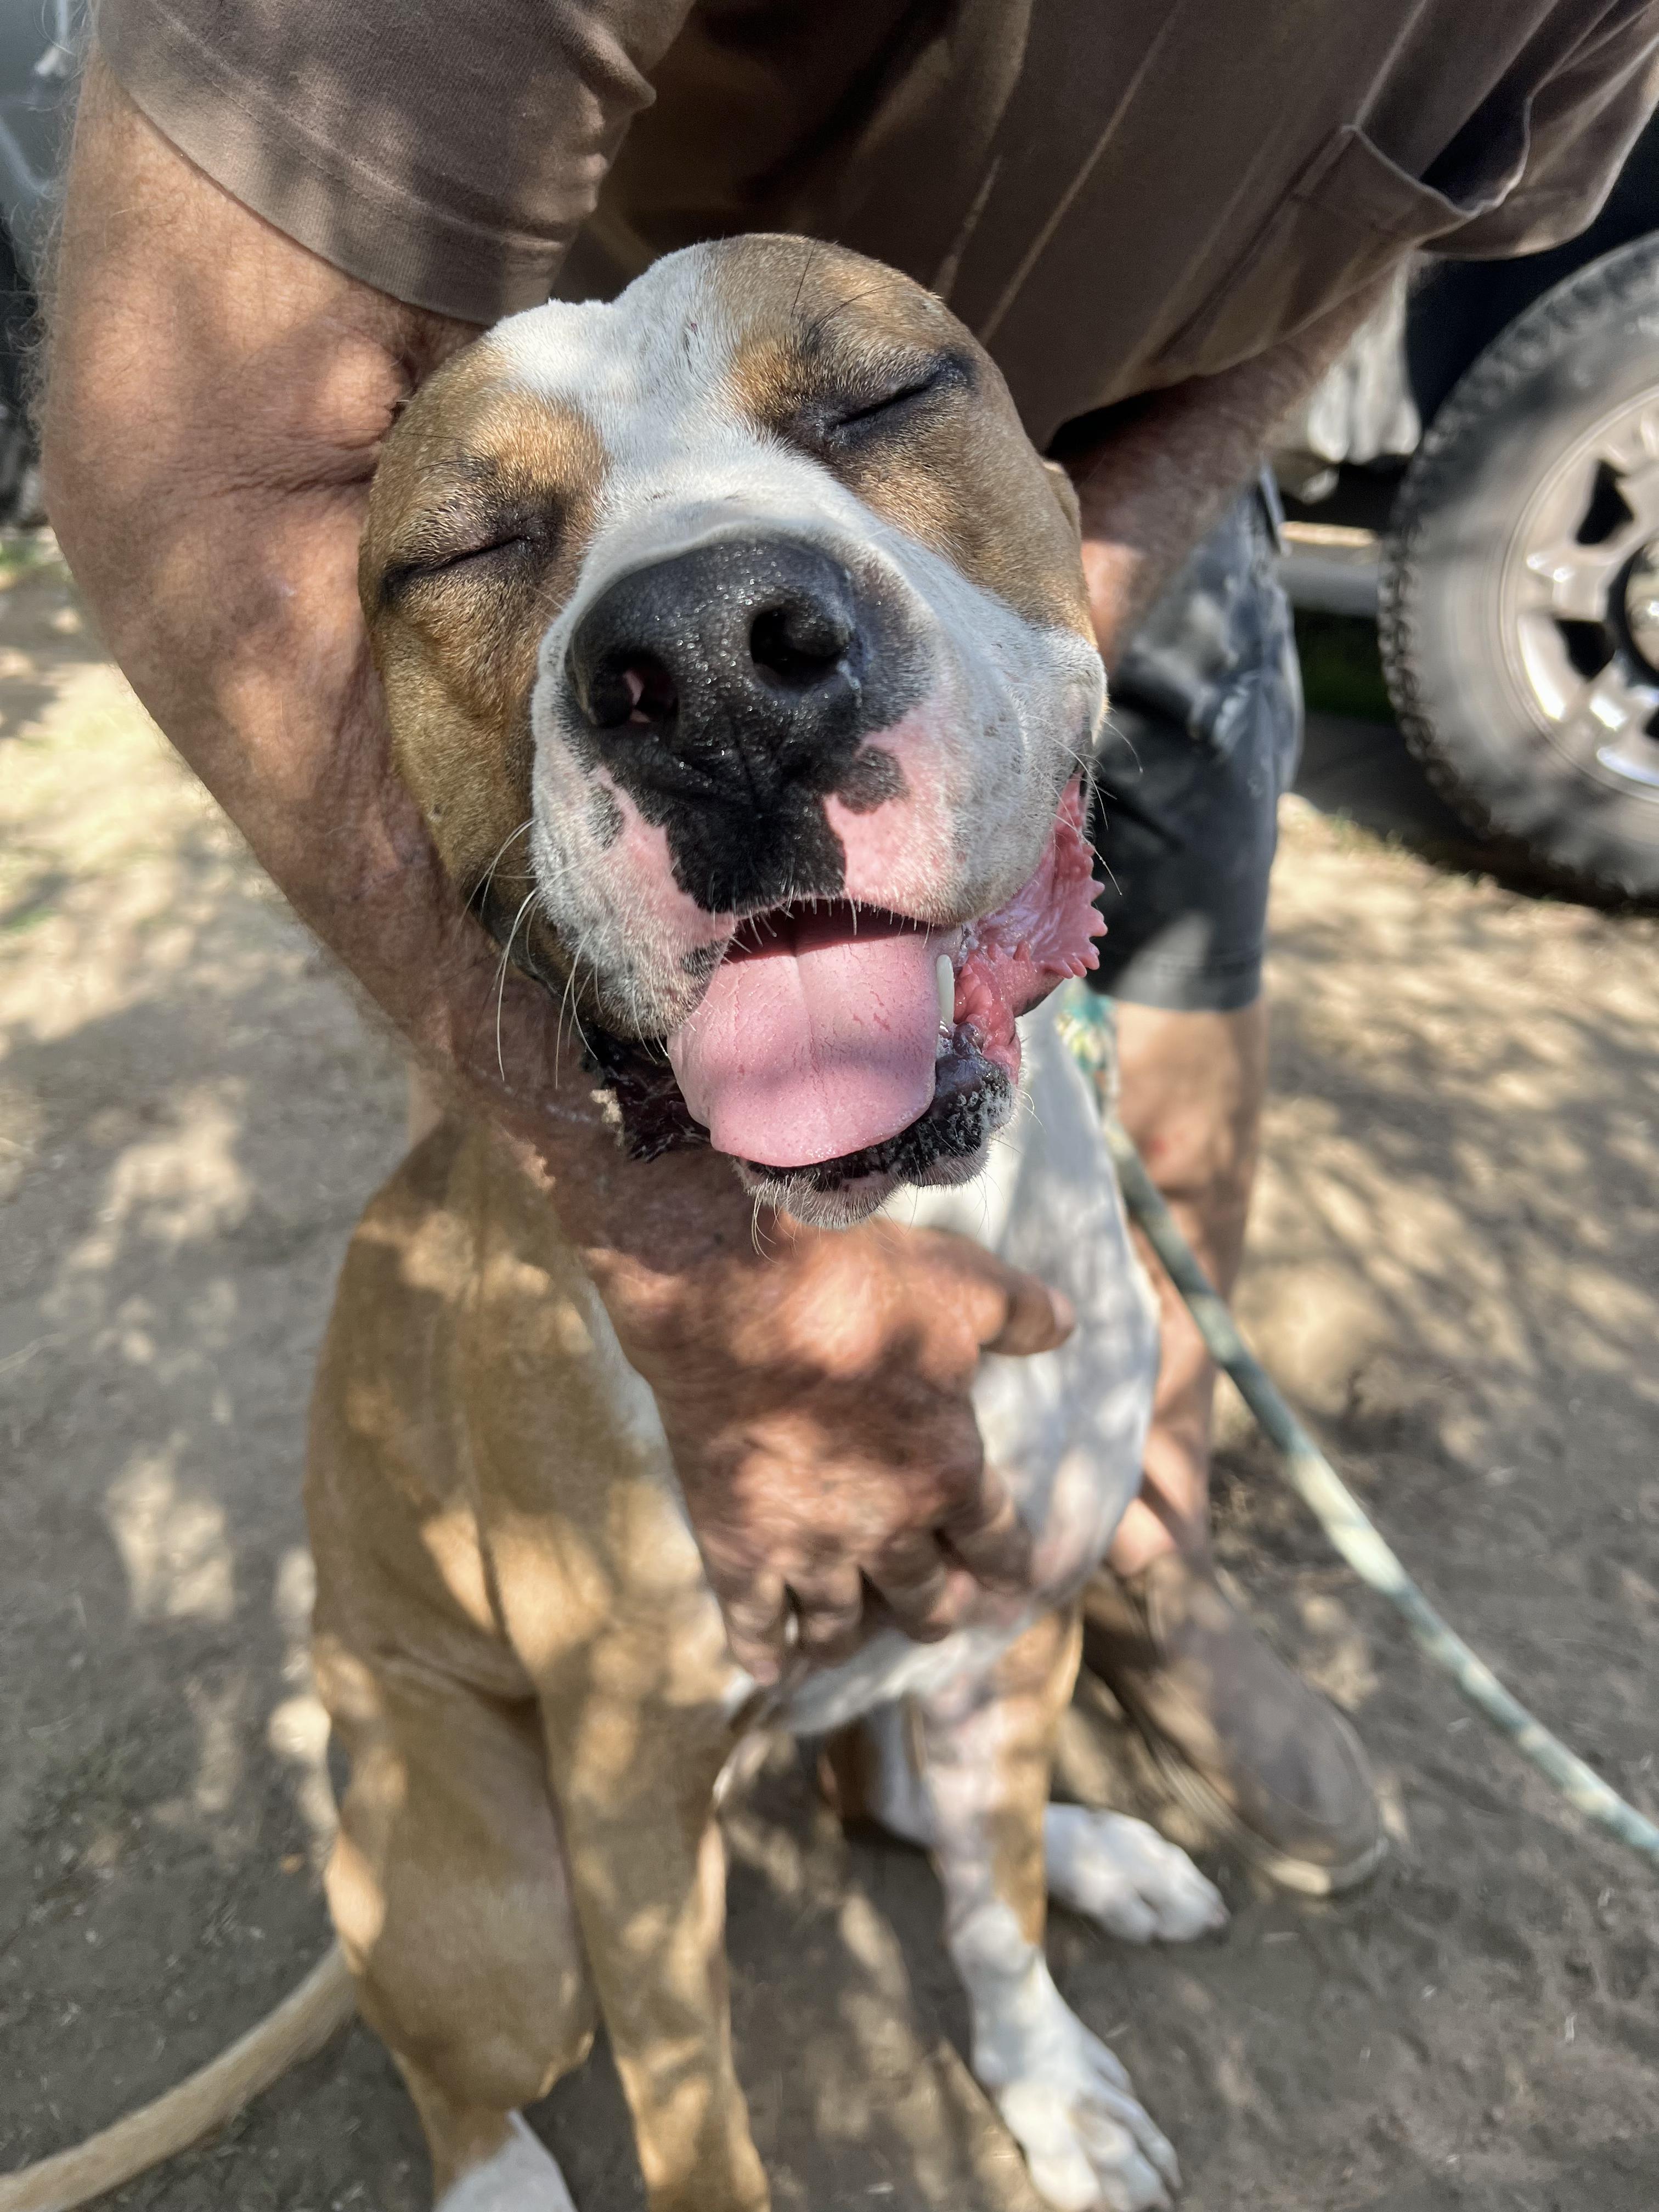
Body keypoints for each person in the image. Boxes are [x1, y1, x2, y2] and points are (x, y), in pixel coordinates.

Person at [44, 1, 1658, 1895]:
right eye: (474, 546)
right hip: (581, 358)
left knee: (1187, 970)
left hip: (1095, 462)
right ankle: (658, 1580)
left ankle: (1131, 1548)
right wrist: (681, 1260)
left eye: (867, 403)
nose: (735, 666)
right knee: (550, 1115)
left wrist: (1060, 595)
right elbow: (188, 452)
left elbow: (1402, 236)